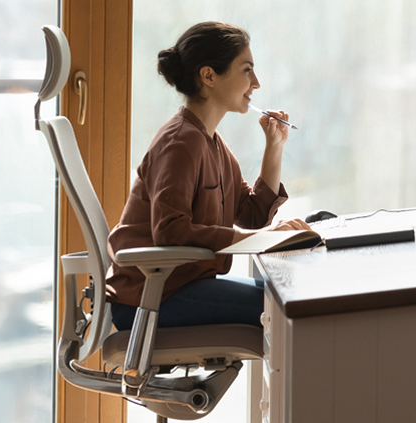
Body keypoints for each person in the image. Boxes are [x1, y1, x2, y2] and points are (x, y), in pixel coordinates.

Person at [105, 21, 309, 331]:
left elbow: (252, 215)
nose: (256, 83)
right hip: (149, 298)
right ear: (209, 75)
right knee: (281, 305)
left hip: (176, 288)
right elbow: (170, 232)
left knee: (283, 295)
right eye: (246, 70)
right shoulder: (181, 142)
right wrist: (261, 239)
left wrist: (274, 147)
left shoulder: (211, 141)